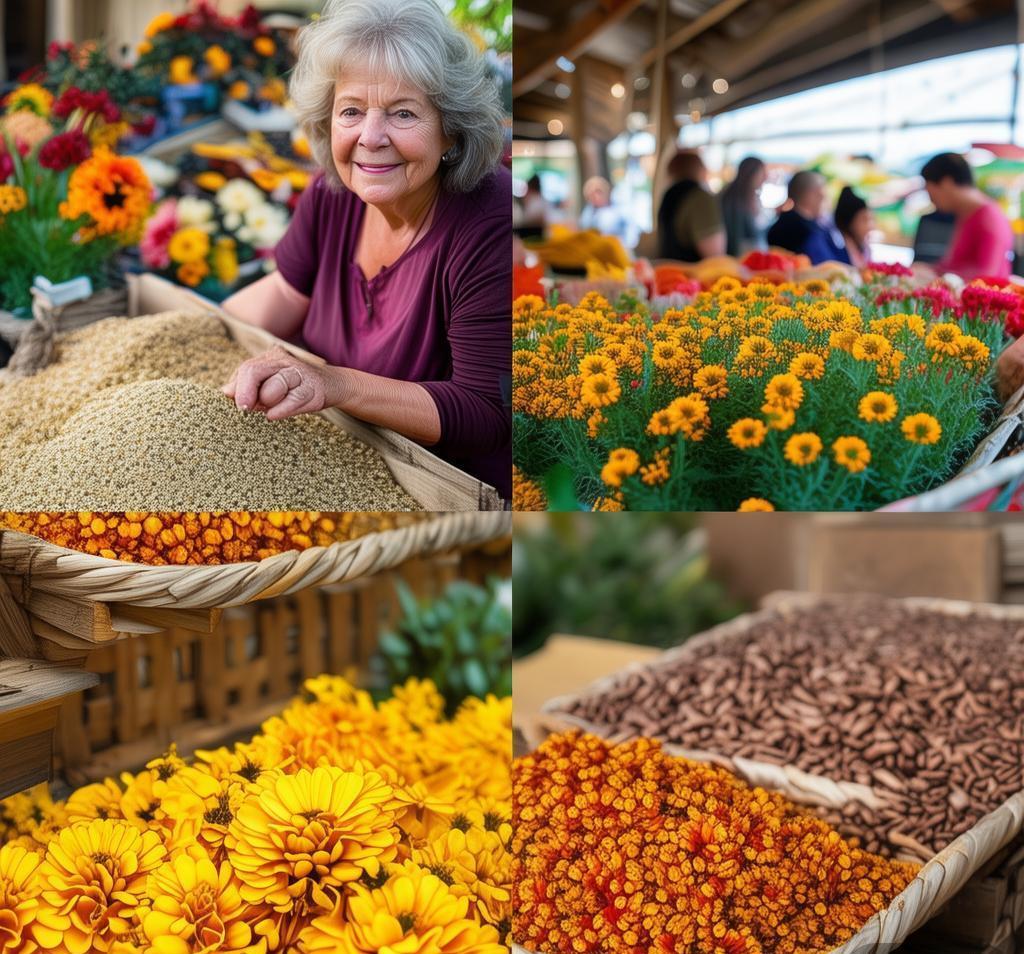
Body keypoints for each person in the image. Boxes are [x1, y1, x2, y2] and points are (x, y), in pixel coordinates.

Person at [219, 0, 511, 500]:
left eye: (403, 113)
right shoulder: (333, 194)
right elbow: (286, 296)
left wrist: (333, 385)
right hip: (329, 457)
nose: (370, 138)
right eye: (351, 111)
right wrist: (196, 332)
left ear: (450, 129)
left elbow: (485, 410)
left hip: (441, 494)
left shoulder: (489, 222)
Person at [920, 152, 1013, 281]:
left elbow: (987, 277)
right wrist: (930, 269)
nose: (932, 201)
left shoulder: (989, 219)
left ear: (947, 183)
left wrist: (935, 275)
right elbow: (954, 264)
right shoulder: (965, 214)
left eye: (931, 194)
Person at [766, 171, 849, 265]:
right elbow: (829, 266)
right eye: (823, 195)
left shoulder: (777, 226)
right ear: (813, 194)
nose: (825, 200)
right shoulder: (810, 233)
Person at [656, 151, 726, 261]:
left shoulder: (668, 196)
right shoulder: (700, 197)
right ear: (700, 169)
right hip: (695, 274)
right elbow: (715, 254)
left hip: (668, 270)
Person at [719, 156, 766, 257]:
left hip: (747, 258)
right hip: (740, 260)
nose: (764, 178)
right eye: (762, 173)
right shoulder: (735, 199)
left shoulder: (750, 197)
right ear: (751, 174)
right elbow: (735, 238)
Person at [578, 175, 638, 248]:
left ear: (606, 191)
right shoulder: (587, 213)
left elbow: (631, 235)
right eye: (591, 194)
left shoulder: (620, 210)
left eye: (598, 191)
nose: (595, 196)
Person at [834, 185, 874, 268]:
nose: (870, 226)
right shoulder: (837, 248)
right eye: (864, 220)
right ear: (850, 222)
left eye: (871, 220)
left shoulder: (864, 248)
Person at [514, 174, 548, 240]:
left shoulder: (535, 200)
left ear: (530, 188)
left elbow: (528, 219)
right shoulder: (540, 199)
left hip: (533, 235)